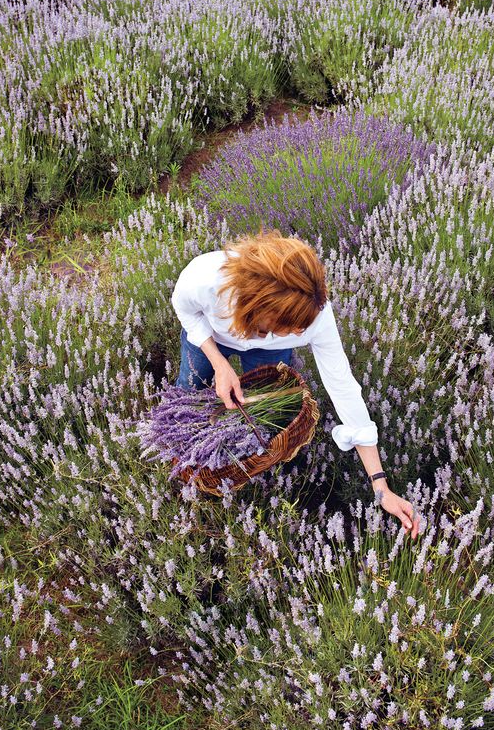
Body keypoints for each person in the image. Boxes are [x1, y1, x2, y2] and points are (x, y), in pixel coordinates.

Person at [171, 229, 420, 538]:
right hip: (210, 335)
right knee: (189, 392)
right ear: (255, 302)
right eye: (278, 326)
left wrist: (380, 485)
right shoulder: (207, 278)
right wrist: (219, 363)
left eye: (294, 330)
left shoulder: (314, 316)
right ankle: (181, 466)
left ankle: (253, 473)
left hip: (265, 351)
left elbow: (342, 386)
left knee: (264, 416)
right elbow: (185, 310)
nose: (287, 335)